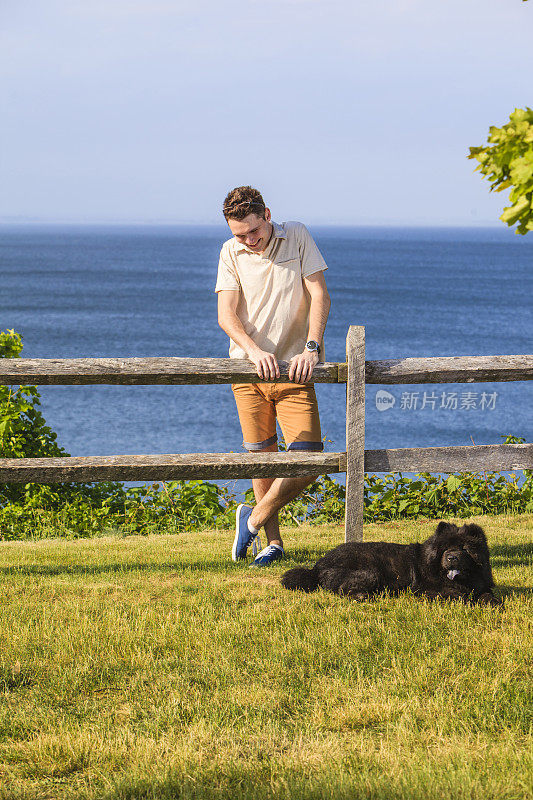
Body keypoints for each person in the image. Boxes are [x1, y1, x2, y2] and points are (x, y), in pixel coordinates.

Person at [215, 186, 331, 567]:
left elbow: (319, 294)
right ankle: (272, 543)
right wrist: (253, 350)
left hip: (295, 369)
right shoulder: (230, 252)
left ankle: (253, 519)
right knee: (262, 459)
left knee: (310, 459)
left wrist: (312, 348)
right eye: (240, 234)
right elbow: (226, 315)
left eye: (254, 231)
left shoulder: (295, 234)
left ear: (267, 214)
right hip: (248, 370)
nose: (249, 241)